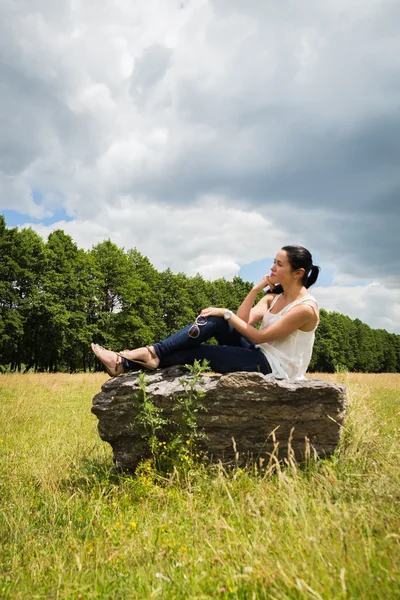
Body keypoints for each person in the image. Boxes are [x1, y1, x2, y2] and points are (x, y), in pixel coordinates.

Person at [92, 245, 320, 381]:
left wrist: (227, 313)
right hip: (259, 353)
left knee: (200, 351)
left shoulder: (305, 309)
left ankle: (125, 362)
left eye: (279, 264)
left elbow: (258, 336)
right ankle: (150, 352)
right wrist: (254, 290)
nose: (272, 268)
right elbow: (244, 321)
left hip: (276, 368)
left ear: (297, 273)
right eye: (273, 262)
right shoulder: (273, 297)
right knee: (215, 320)